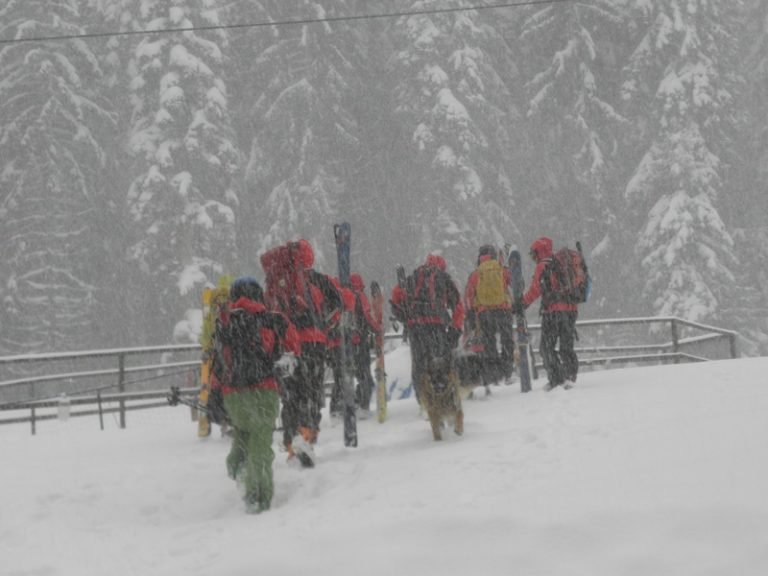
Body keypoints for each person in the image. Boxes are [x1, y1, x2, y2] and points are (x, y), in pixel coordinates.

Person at [218, 276, 301, 514]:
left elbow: (218, 360)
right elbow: (293, 346)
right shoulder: (273, 319)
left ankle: (236, 466)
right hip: (263, 391)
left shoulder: (225, 321)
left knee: (243, 434)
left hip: (233, 395)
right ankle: (258, 496)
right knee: (260, 447)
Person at [269, 239, 342, 465]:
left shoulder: (276, 281)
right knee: (311, 392)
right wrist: (325, 326)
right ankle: (305, 435)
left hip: (286, 347)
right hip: (313, 343)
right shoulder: (316, 279)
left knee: (291, 395)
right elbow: (339, 304)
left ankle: (291, 441)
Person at [391, 254, 465, 439]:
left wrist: (406, 316)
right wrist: (455, 329)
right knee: (441, 368)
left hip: (416, 330)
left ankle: (426, 405)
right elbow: (458, 306)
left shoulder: (413, 278)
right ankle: (448, 405)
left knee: (420, 368)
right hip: (436, 328)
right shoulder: (444, 278)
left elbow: (396, 297)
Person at [520, 237, 579, 390]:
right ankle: (570, 376)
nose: (533, 258)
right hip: (571, 310)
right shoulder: (561, 262)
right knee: (566, 346)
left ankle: (556, 378)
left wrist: (522, 304)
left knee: (546, 348)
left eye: (533, 254)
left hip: (553, 312)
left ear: (539, 252)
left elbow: (535, 290)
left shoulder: (543, 265)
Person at [463, 245, 516, 386]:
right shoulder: (501, 269)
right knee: (507, 341)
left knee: (489, 343)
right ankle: (508, 372)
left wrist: (471, 314)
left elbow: (468, 296)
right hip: (503, 310)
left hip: (484, 313)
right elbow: (515, 283)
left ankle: (494, 374)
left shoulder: (476, 274)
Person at [349, 273, 380, 416]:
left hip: (348, 342)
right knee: (365, 375)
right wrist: (377, 329)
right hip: (360, 341)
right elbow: (368, 316)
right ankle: (363, 405)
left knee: (359, 374)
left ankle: (357, 402)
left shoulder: (345, 296)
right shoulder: (359, 295)